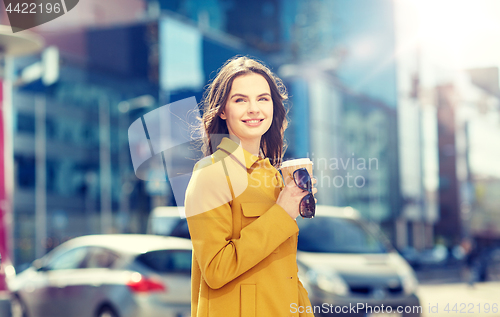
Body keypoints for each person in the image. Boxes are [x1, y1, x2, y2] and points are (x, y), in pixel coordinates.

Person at [185, 56, 317, 317]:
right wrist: (282, 213)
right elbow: (216, 270)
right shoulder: (210, 173)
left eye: (263, 98)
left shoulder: (273, 176)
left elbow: (287, 273)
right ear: (223, 110)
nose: (254, 109)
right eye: (240, 100)